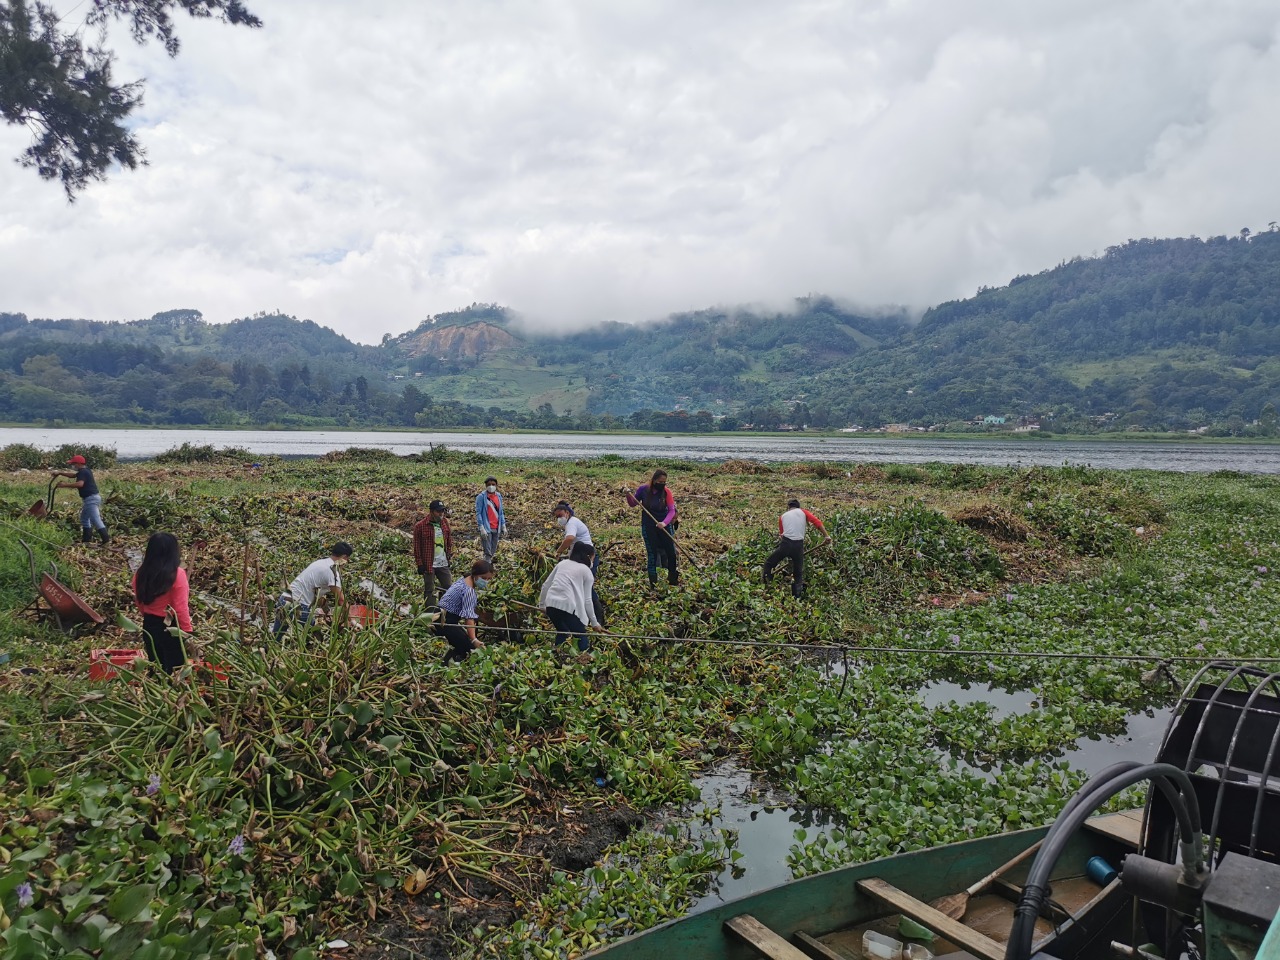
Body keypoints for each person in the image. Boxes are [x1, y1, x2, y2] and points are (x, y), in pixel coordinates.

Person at [132, 532, 193, 673]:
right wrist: (187, 632)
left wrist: (148, 615)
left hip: (149, 625)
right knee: (176, 669)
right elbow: (180, 607)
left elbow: (139, 601)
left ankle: (157, 690)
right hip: (171, 628)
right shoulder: (177, 575)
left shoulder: (141, 573)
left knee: (156, 665)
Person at [272, 542, 351, 637]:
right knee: (315, 635)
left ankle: (266, 650)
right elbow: (341, 600)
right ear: (344, 557)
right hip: (297, 606)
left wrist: (327, 612)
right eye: (347, 559)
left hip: (284, 600)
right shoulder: (332, 571)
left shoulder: (320, 563)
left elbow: (318, 595)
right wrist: (352, 621)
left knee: (276, 637)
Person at [538, 541, 603, 653]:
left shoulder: (562, 564)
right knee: (580, 634)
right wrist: (594, 623)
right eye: (592, 558)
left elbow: (546, 585)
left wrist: (542, 605)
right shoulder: (586, 571)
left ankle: (557, 654)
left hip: (551, 604)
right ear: (587, 557)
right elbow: (588, 600)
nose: (593, 561)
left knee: (562, 630)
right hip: (567, 606)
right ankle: (585, 659)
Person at [763, 498, 832, 599]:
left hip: (786, 544)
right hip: (799, 546)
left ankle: (767, 588)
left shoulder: (783, 516)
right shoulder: (803, 512)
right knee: (798, 573)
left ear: (788, 507)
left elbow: (782, 535)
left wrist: (787, 553)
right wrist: (827, 536)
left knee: (769, 563)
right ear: (798, 507)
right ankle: (797, 599)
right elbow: (817, 522)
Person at [552, 500, 604, 624]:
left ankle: (598, 617)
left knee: (586, 588)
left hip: (586, 558)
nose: (559, 519)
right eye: (557, 517)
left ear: (567, 512)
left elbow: (570, 539)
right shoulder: (572, 523)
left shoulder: (572, 523)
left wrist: (558, 552)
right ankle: (584, 615)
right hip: (581, 557)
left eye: (560, 516)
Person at [624, 469, 678, 587]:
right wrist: (628, 495)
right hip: (649, 525)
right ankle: (653, 583)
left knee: (671, 553)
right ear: (654, 480)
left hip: (664, 525)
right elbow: (633, 504)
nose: (662, 484)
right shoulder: (643, 490)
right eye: (660, 482)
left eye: (664, 482)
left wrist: (664, 523)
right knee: (652, 554)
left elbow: (672, 510)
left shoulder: (666, 492)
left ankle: (673, 580)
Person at [435, 558, 494, 663]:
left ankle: (449, 659)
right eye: (483, 578)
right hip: (445, 621)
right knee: (469, 649)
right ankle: (450, 663)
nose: (485, 581)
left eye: (489, 579)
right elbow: (469, 619)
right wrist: (474, 640)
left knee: (462, 642)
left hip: (439, 615)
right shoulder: (469, 591)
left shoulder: (464, 580)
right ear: (475, 574)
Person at [51, 454, 109, 544]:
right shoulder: (85, 470)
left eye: (73, 464)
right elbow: (73, 476)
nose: (72, 466)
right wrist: (60, 473)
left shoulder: (83, 472)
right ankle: (86, 540)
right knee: (84, 519)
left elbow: (80, 484)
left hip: (91, 499)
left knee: (95, 519)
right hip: (91, 498)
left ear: (78, 463)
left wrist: (64, 485)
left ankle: (106, 541)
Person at [412, 500, 453, 608]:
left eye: (443, 511)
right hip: (429, 564)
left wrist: (449, 555)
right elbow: (417, 547)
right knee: (429, 589)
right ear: (431, 512)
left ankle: (444, 609)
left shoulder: (445, 523)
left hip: (443, 562)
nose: (441, 514)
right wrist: (420, 564)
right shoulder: (420, 526)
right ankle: (429, 613)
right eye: (438, 511)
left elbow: (449, 541)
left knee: (448, 586)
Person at [475, 476, 506, 561]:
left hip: (496, 526)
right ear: (486, 485)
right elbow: (478, 513)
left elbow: (501, 512)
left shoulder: (498, 496)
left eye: (493, 484)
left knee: (493, 548)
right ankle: (487, 566)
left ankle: (488, 564)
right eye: (489, 484)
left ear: (496, 485)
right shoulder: (481, 497)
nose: (491, 486)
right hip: (487, 527)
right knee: (487, 550)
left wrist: (503, 525)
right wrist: (481, 527)